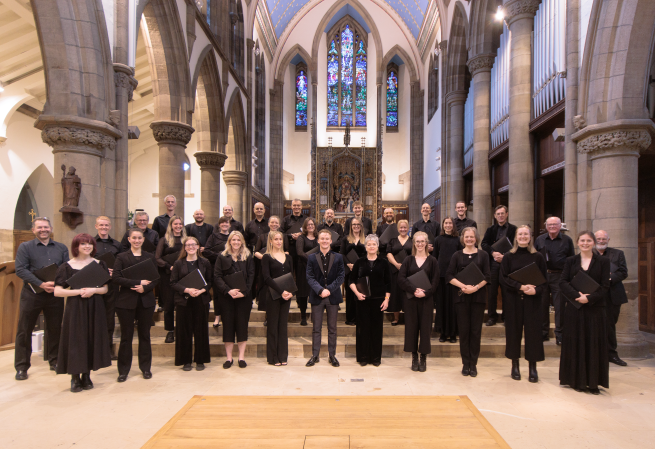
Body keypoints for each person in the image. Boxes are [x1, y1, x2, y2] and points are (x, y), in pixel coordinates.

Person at [54, 234, 111, 392]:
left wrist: (93, 290)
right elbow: (57, 291)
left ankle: (86, 375)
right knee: (76, 340)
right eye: (83, 244)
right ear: (76, 246)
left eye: (90, 244)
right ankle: (74, 377)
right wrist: (78, 292)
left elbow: (105, 288)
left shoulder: (99, 264)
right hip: (76, 307)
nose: (87, 247)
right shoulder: (67, 266)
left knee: (91, 338)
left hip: (95, 305)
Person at [14, 217, 69, 380]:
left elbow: (66, 268)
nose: (43, 230)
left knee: (54, 328)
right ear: (33, 230)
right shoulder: (25, 247)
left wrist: (57, 284)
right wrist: (41, 283)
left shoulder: (61, 247)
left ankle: (54, 360)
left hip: (54, 294)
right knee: (25, 329)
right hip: (32, 294)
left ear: (51, 228)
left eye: (46, 227)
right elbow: (20, 269)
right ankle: (22, 366)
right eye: (39, 227)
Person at [559, 231, 610, 394]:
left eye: (589, 240)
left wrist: (590, 298)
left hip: (595, 309)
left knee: (593, 344)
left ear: (593, 243)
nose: (585, 243)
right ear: (577, 242)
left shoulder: (603, 261)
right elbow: (563, 282)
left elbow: (605, 286)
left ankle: (593, 382)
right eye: (582, 240)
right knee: (575, 342)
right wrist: (577, 296)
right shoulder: (570, 260)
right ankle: (575, 380)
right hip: (575, 308)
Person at [500, 225, 548, 383]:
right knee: (513, 333)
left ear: (530, 237)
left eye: (525, 234)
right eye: (520, 234)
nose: (522, 236)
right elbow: (504, 278)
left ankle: (532, 367)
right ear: (516, 237)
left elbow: (544, 281)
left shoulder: (538, 256)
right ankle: (515, 365)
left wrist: (536, 291)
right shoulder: (508, 256)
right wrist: (520, 287)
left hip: (532, 300)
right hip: (513, 300)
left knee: (533, 334)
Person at [113, 228, 159, 382]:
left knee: (144, 336)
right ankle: (123, 371)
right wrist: (137, 283)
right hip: (126, 301)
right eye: (134, 238)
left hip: (146, 301)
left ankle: (145, 368)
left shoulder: (150, 257)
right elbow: (116, 277)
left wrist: (145, 288)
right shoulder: (121, 257)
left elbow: (156, 279)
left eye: (140, 238)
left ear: (143, 240)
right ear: (129, 239)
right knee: (126, 337)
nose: (137, 240)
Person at [447, 227, 490, 377]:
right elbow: (449, 275)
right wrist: (463, 286)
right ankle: (465, 363)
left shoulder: (483, 255)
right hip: (461, 297)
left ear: (476, 238)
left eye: (472, 237)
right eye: (467, 237)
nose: (469, 239)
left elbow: (487, 276)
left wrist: (476, 287)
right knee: (464, 331)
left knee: (475, 331)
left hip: (478, 298)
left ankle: (474, 363)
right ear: (463, 238)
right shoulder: (457, 255)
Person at [398, 231, 440, 372]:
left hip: (426, 300)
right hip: (411, 300)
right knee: (411, 328)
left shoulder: (433, 261)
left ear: (427, 243)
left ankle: (423, 357)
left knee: (425, 328)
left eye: (423, 242)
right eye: (418, 242)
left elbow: (435, 281)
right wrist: (414, 290)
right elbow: (401, 279)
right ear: (414, 243)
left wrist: (426, 293)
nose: (420, 244)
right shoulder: (408, 260)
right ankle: (414, 356)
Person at [170, 237, 212, 371]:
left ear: (198, 246)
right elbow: (173, 283)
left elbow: (210, 281)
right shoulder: (178, 263)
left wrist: (201, 290)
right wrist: (187, 290)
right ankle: (186, 361)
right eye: (188, 245)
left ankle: (200, 360)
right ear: (184, 247)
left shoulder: (205, 262)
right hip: (184, 301)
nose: (191, 247)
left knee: (201, 331)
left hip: (201, 300)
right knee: (184, 331)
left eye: (193, 244)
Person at [214, 231, 255, 369]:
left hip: (243, 298)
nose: (236, 242)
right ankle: (229, 358)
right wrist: (228, 290)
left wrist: (244, 292)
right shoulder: (222, 256)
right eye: (234, 240)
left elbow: (251, 275)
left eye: (238, 240)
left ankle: (241, 357)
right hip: (227, 298)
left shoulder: (248, 256)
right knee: (228, 327)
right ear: (229, 241)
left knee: (242, 327)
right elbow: (217, 276)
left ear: (242, 241)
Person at [305, 229, 345, 367]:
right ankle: (315, 355)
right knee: (316, 328)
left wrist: (329, 290)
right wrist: (320, 290)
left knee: (332, 328)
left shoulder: (338, 257)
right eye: (322, 238)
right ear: (318, 240)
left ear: (331, 240)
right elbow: (309, 277)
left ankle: (332, 355)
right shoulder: (311, 257)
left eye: (327, 238)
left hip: (333, 296)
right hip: (317, 296)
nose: (325, 241)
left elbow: (341, 277)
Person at [349, 234, 391, 366]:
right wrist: (357, 293)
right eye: (369, 244)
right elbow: (351, 280)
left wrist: (387, 299)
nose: (371, 246)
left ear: (377, 247)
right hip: (362, 300)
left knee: (376, 330)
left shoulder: (384, 262)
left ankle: (375, 358)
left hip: (378, 301)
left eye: (374, 244)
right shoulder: (359, 262)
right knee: (363, 329)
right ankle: (363, 357)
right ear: (365, 246)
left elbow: (389, 283)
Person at [534, 216, 575, 345]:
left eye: (555, 224)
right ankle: (543, 332)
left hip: (559, 276)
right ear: (546, 226)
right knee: (542, 305)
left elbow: (571, 260)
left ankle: (560, 334)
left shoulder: (567, 240)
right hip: (543, 276)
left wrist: (568, 278)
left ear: (560, 226)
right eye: (549, 224)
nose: (552, 226)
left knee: (559, 306)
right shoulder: (539, 240)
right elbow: (534, 257)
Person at [595, 230, 628, 366]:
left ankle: (611, 354)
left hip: (613, 295)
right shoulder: (588, 254)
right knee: (594, 325)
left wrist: (609, 278)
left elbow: (623, 272)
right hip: (595, 294)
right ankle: (596, 355)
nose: (601, 241)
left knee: (610, 325)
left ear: (608, 240)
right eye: (598, 239)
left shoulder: (618, 253)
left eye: (604, 239)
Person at [261, 231, 294, 365]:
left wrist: (291, 292)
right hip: (273, 295)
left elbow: (292, 276)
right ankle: (273, 357)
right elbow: (267, 278)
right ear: (270, 241)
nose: (279, 242)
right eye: (276, 239)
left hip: (286, 296)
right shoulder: (266, 257)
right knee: (273, 326)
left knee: (283, 326)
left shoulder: (289, 257)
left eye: (280, 239)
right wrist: (281, 291)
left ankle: (283, 356)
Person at [481, 205, 517, 326]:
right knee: (492, 292)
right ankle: (492, 316)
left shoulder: (514, 229)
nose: (500, 216)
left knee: (507, 291)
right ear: (495, 216)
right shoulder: (490, 229)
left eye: (502, 213)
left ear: (507, 214)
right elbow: (484, 244)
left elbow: (517, 246)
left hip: (508, 264)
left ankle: (507, 317)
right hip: (494, 264)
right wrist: (493, 252)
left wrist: (505, 256)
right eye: (498, 214)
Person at [93, 216, 122, 359]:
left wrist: (114, 271)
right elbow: (86, 261)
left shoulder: (117, 244)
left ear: (110, 227)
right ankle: (95, 348)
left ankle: (108, 348)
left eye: (106, 225)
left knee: (109, 316)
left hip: (111, 284)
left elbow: (121, 262)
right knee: (95, 315)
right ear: (96, 226)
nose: (104, 227)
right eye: (101, 225)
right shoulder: (90, 243)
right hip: (95, 284)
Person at [155, 215, 186, 343]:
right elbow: (157, 258)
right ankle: (170, 331)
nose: (178, 226)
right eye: (175, 224)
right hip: (167, 275)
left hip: (183, 276)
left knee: (182, 305)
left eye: (180, 224)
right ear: (171, 225)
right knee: (168, 304)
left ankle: (181, 330)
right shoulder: (164, 240)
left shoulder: (186, 240)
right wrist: (169, 266)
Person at [433, 217, 462, 342]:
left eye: (450, 223)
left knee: (453, 306)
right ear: (443, 225)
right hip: (441, 276)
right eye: (446, 223)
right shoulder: (438, 239)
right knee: (441, 305)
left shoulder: (458, 240)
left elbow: (461, 257)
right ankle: (443, 333)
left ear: (453, 225)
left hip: (454, 277)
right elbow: (434, 257)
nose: (448, 225)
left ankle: (453, 333)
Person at [254, 216, 288, 317]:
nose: (274, 224)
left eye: (276, 223)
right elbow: (256, 252)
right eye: (272, 222)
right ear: (268, 224)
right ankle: (267, 317)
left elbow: (286, 251)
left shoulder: (283, 236)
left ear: (279, 225)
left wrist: (276, 259)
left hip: (278, 267)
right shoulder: (263, 236)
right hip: (266, 267)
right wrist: (267, 258)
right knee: (266, 292)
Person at [203, 216, 231, 329]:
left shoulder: (232, 236)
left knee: (228, 292)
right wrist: (220, 255)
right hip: (217, 267)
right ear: (219, 225)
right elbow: (206, 251)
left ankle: (227, 316)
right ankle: (217, 316)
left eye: (226, 223)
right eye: (222, 223)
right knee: (217, 293)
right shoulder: (214, 236)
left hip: (230, 268)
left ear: (230, 224)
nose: (224, 225)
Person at [341, 217, 367, 326]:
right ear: (351, 226)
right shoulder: (345, 239)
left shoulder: (366, 239)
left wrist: (359, 265)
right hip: (350, 270)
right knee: (351, 295)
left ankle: (360, 318)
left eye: (358, 224)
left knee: (362, 292)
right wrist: (348, 264)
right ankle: (350, 318)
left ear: (361, 226)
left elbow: (369, 253)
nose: (356, 226)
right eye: (354, 224)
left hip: (362, 270)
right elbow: (341, 253)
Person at [386, 220, 412, 325]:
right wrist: (396, 264)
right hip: (395, 271)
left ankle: (409, 317)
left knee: (407, 293)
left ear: (408, 228)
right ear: (398, 229)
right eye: (401, 227)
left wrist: (407, 266)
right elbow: (388, 254)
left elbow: (415, 253)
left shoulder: (412, 240)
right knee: (396, 293)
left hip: (409, 271)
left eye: (405, 227)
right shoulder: (392, 241)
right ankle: (396, 318)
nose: (403, 229)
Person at [296, 217, 319, 326]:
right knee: (303, 293)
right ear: (305, 226)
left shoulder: (318, 237)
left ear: (315, 226)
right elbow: (300, 252)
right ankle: (303, 317)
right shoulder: (301, 238)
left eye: (312, 224)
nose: (310, 226)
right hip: (303, 268)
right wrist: (312, 261)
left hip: (317, 269)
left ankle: (315, 316)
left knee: (315, 292)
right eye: (308, 224)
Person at [282, 198, 308, 284]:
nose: (296, 207)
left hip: (303, 249)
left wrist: (301, 235)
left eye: (298, 205)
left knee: (301, 272)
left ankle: (300, 294)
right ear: (291, 206)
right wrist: (291, 236)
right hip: (290, 248)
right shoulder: (286, 219)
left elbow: (311, 232)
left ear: (301, 207)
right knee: (289, 271)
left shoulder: (306, 219)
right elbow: (280, 233)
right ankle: (289, 292)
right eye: (294, 205)